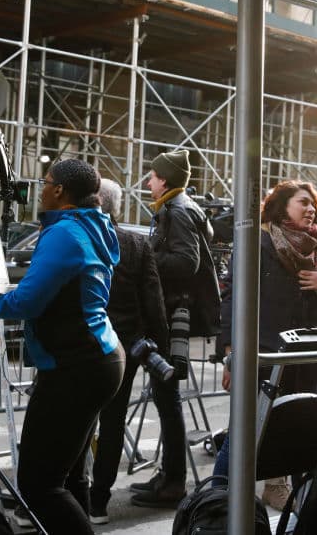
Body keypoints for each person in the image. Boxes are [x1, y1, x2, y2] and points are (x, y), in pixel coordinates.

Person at [0, 159, 124, 534]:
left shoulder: (64, 234)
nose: (39, 189)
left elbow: (27, 302)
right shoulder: (91, 225)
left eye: (44, 182)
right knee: (69, 476)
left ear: (59, 191)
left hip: (78, 366)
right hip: (97, 359)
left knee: (39, 485)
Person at [213, 180, 317, 508]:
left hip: (307, 362)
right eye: (303, 202)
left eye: (314, 206)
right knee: (244, 434)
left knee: (304, 439)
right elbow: (231, 298)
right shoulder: (257, 242)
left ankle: (302, 511)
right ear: (283, 207)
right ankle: (216, 504)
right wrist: (229, 352)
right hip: (263, 357)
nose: (311, 210)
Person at [131, 149, 219, 508]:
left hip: (170, 313)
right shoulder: (175, 207)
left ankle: (173, 481)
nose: (148, 182)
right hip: (169, 311)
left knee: (168, 397)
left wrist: (146, 255)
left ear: (164, 180)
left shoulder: (178, 210)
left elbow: (186, 260)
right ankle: (169, 475)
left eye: (152, 176)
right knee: (167, 397)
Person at [88, 178, 168, 525]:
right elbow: (154, 301)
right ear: (116, 206)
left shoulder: (83, 238)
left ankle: (70, 493)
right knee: (113, 422)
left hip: (86, 341)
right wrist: (159, 349)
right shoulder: (137, 244)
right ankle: (99, 501)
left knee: (78, 419)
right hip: (125, 346)